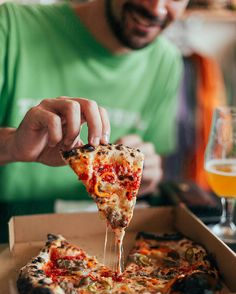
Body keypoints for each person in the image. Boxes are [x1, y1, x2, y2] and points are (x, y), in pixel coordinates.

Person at [0, 0, 189, 202]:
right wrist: (11, 146)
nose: (157, 8)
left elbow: (155, 163)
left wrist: (149, 173)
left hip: (106, 231)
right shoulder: (10, 25)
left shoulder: (167, 62)